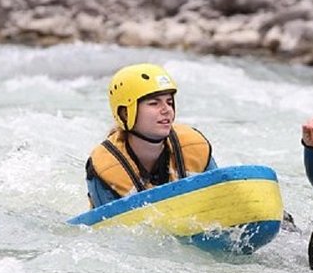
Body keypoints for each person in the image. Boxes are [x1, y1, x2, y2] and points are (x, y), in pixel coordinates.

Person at [84, 63, 217, 208]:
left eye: (169, 102)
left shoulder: (194, 146)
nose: (167, 110)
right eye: (154, 103)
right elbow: (109, 228)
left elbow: (221, 201)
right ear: (125, 113)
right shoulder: (104, 167)